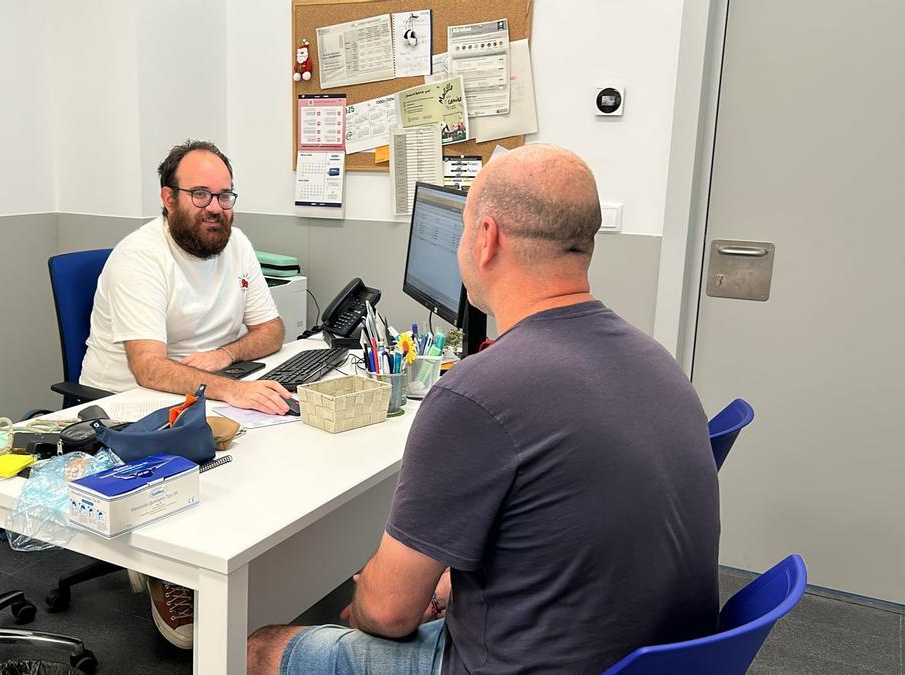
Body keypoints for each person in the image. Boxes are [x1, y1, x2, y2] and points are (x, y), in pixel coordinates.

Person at [247, 144, 721, 674]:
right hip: (650, 659)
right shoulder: (656, 361)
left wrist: (363, 607)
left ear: (487, 238)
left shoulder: (477, 393)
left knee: (263, 646)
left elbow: (387, 615)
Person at [80, 140, 293, 650]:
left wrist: (224, 357)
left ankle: (241, 564)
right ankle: (164, 569)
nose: (216, 208)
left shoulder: (236, 244)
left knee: (277, 448)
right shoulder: (141, 257)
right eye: (200, 195)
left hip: (205, 386)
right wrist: (231, 389)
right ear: (167, 198)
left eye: (224, 195)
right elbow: (148, 366)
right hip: (129, 401)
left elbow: (273, 330)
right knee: (206, 456)